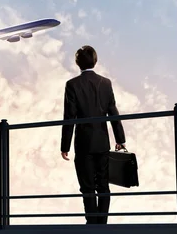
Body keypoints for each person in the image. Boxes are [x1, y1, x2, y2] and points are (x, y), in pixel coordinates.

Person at [60, 45, 126, 225]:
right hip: (102, 142)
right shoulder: (106, 83)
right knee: (103, 185)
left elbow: (69, 117)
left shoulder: (72, 85)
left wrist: (64, 146)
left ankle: (92, 223)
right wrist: (120, 139)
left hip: (83, 143)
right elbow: (113, 112)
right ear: (95, 61)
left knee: (87, 187)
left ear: (77, 63)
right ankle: (102, 224)